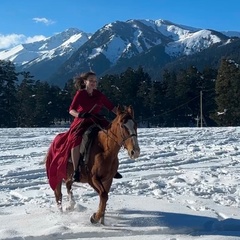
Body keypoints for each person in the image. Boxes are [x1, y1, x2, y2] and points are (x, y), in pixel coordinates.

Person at [46, 71, 122, 190]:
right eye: (91, 80)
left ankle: (112, 168)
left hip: (97, 120)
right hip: (82, 121)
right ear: (85, 82)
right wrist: (80, 114)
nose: (93, 83)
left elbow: (111, 107)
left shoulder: (98, 94)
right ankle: (76, 170)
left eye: (95, 81)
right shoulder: (80, 94)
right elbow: (71, 110)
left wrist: (122, 114)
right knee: (75, 140)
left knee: (112, 136)